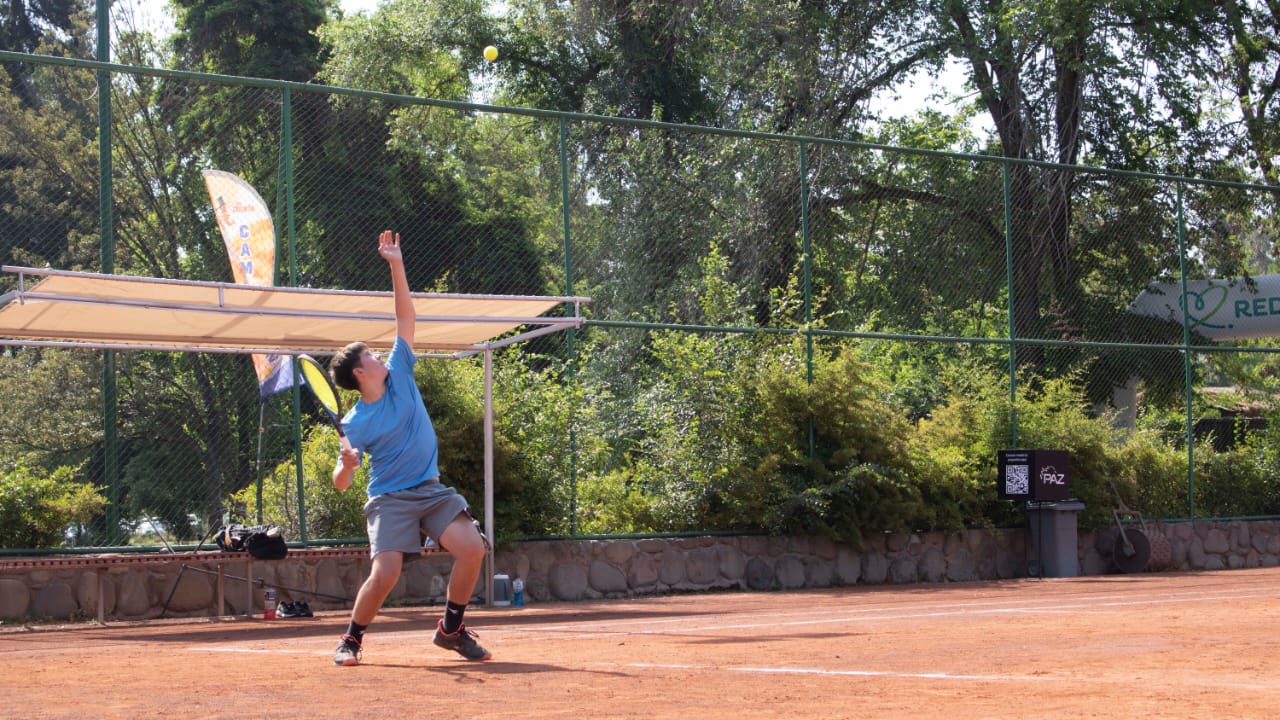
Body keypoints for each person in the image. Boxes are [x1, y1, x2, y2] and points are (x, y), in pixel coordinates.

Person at [329, 229, 491, 666]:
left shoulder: (399, 371)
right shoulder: (355, 422)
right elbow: (341, 483)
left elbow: (406, 317)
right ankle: (351, 640)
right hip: (390, 499)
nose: (379, 356)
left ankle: (451, 630)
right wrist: (347, 465)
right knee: (386, 573)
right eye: (371, 356)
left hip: (431, 489)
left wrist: (396, 264)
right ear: (360, 373)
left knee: (472, 548)